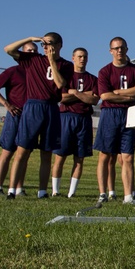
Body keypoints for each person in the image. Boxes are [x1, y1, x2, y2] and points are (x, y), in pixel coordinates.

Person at [4, 33, 73, 200]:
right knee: (22, 150)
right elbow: (8, 50)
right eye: (43, 44)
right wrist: (28, 39)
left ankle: (42, 191)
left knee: (46, 152)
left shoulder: (66, 65)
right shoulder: (33, 60)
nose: (46, 47)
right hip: (33, 107)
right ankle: (12, 189)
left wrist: (51, 61)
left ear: (59, 45)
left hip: (51, 108)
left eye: (49, 44)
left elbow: (60, 84)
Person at [94, 37, 135, 204]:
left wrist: (116, 93)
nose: (119, 51)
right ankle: (103, 193)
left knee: (127, 157)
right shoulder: (104, 71)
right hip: (109, 113)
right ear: (110, 51)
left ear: (127, 49)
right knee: (105, 155)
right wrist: (128, 96)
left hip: (128, 115)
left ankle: (128, 196)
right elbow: (104, 96)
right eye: (116, 48)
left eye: (122, 48)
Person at [0, 41, 38, 195]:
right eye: (29, 51)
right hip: (16, 115)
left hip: (30, 117)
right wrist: (6, 104)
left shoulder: (37, 73)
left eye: (35, 51)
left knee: (25, 154)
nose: (33, 53)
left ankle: (18, 187)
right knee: (7, 152)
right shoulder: (13, 71)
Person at [51, 47, 99, 197]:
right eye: (79, 56)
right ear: (73, 58)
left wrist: (76, 92)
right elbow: (61, 97)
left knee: (80, 158)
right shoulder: (66, 76)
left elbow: (95, 99)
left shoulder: (93, 79)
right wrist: (84, 95)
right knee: (60, 156)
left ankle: (72, 193)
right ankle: (55, 191)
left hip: (84, 119)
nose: (82, 59)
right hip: (66, 117)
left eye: (85, 56)